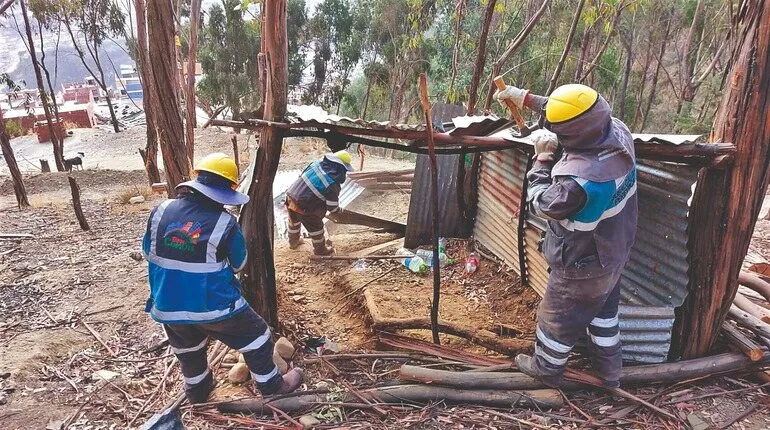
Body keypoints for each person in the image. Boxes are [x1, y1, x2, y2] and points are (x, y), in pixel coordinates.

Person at [495, 84, 637, 388]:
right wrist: (525, 98)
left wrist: (542, 159)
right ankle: (610, 373)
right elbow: (575, 111)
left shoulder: (581, 181)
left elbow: (540, 203)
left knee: (555, 319)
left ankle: (546, 369)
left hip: (582, 263)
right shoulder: (617, 131)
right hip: (614, 252)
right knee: (603, 315)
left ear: (571, 136)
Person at [142, 152, 303, 403]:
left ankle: (197, 391)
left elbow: (148, 252)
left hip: (167, 304)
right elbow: (239, 264)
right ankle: (272, 387)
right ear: (228, 190)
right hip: (213, 305)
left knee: (188, 348)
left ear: (196, 180)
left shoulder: (160, 211)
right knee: (258, 335)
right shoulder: (224, 223)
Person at [285, 150, 354, 255]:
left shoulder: (316, 164)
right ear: (340, 168)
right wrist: (339, 211)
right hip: (304, 207)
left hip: (291, 197)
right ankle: (320, 251)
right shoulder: (332, 184)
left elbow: (302, 177)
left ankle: (293, 242)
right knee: (316, 228)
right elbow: (332, 208)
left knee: (294, 223)